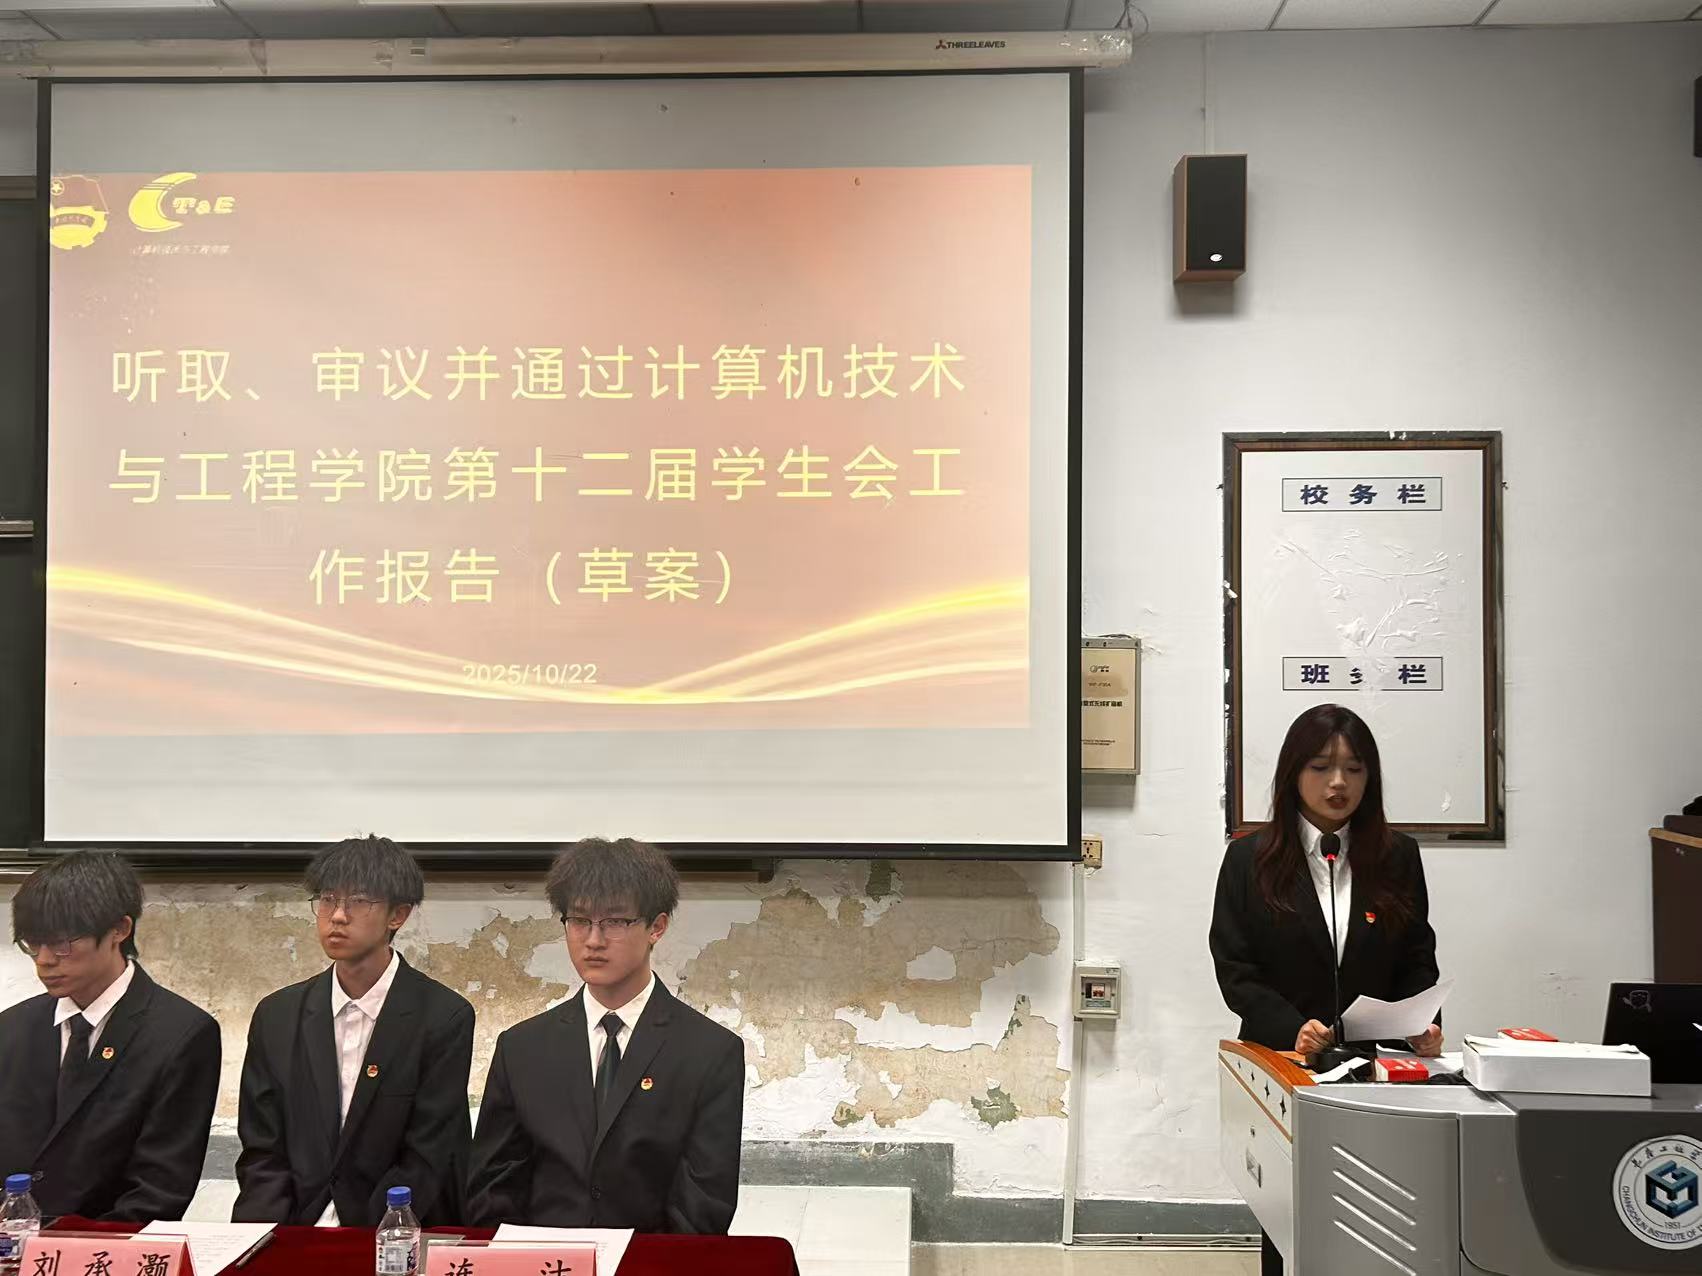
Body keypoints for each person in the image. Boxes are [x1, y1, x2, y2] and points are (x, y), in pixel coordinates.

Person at [1209, 703, 1443, 1275]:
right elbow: (1236, 968)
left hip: (1378, 1070)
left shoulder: (1398, 856)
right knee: (1290, 1216)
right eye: (1320, 767)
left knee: (1378, 1216)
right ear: (1294, 773)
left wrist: (1427, 1024)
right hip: (1284, 1061)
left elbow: (1417, 959)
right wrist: (1293, 1026)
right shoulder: (1249, 859)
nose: (1338, 783)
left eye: (1354, 769)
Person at [466, 837, 743, 1232]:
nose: (593, 941)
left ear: (657, 927)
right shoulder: (522, 1048)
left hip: (653, 1259)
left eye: (615, 922)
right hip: (546, 1257)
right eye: (579, 921)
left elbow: (703, 1202)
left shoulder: (709, 1051)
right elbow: (493, 1186)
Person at [233, 835, 473, 1227]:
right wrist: (270, 1236)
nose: (338, 916)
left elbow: (426, 1155)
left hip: (392, 1231)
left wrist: (366, 1237)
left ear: (398, 915)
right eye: (328, 900)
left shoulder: (443, 1017)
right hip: (292, 1229)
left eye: (358, 901)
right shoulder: (277, 1015)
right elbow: (262, 1149)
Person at [0, 850, 220, 1220]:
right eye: (32, 944)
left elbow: (159, 1192)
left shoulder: (181, 1034)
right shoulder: (12, 1028)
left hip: (109, 1244)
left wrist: (65, 1246)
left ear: (120, 929)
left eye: (62, 943)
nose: (44, 960)